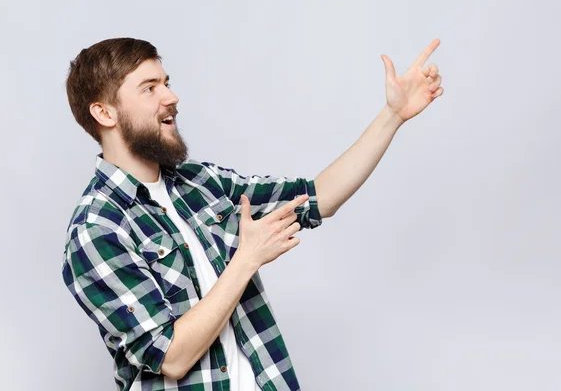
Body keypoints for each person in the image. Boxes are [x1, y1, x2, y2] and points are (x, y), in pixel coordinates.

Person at [61, 37, 444, 391]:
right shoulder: (97, 230)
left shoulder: (203, 182)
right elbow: (171, 356)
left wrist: (392, 116)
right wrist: (247, 259)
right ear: (104, 113)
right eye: (150, 88)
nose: (171, 97)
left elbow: (317, 197)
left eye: (166, 82)